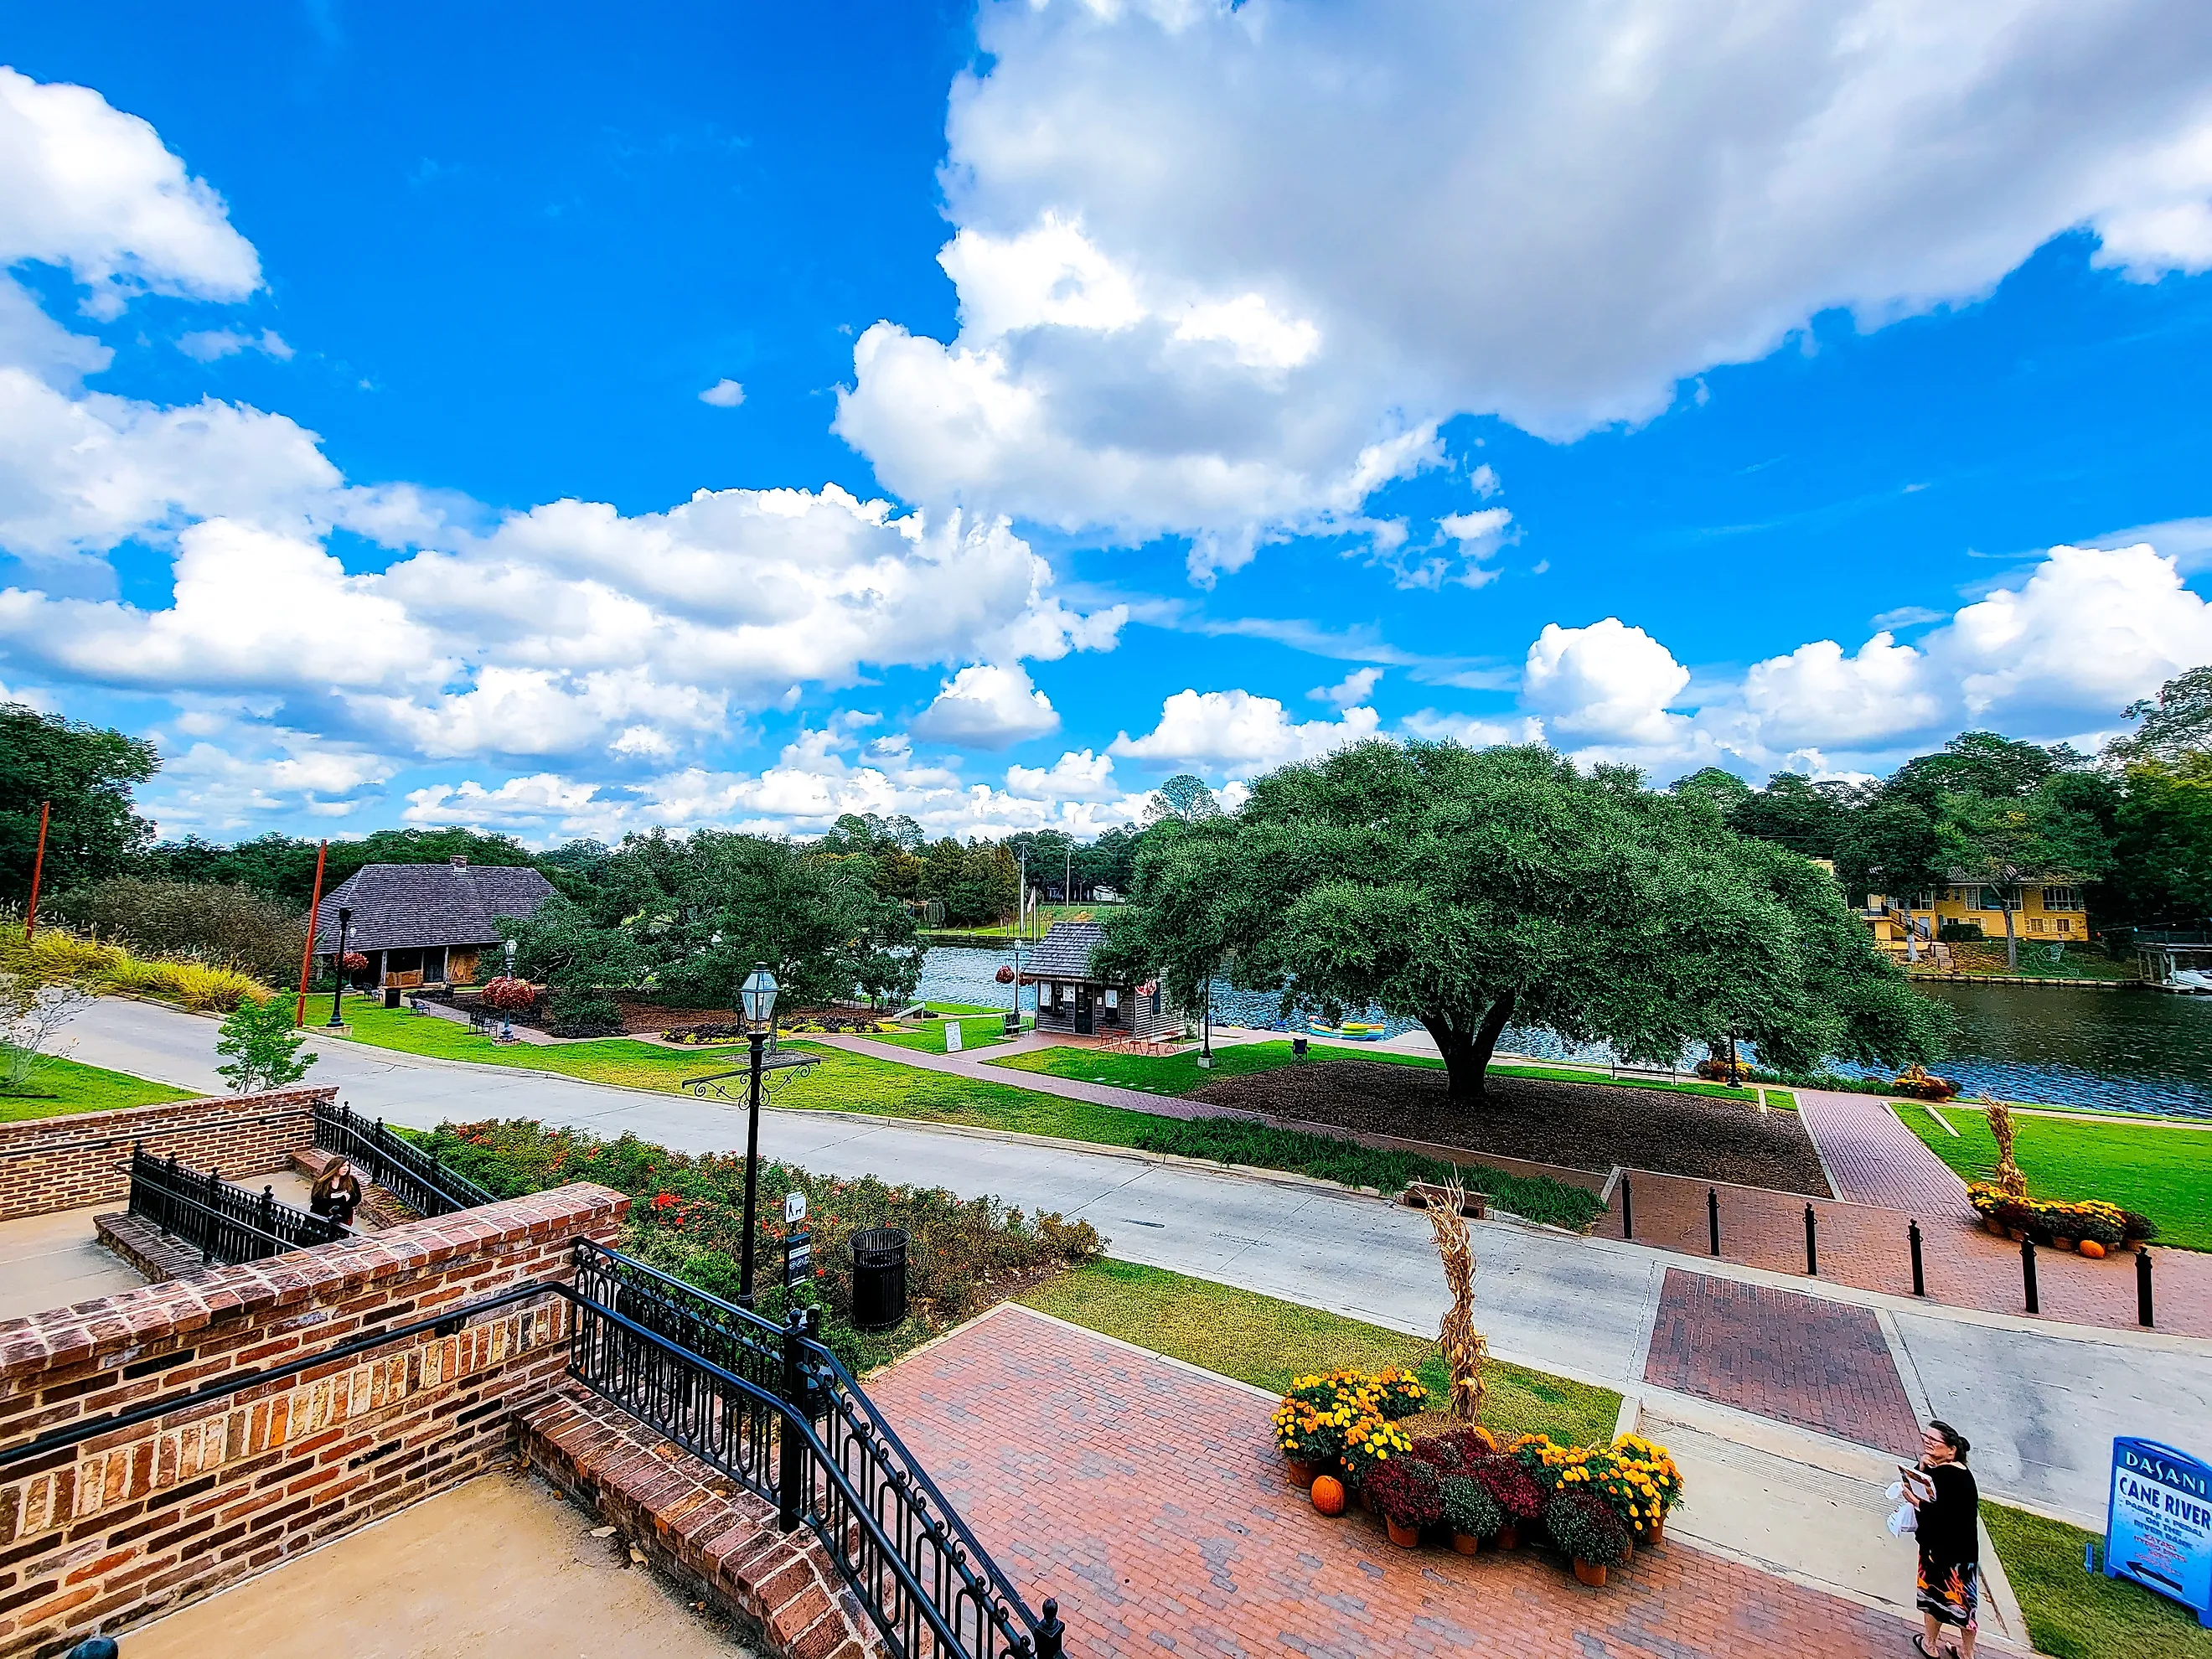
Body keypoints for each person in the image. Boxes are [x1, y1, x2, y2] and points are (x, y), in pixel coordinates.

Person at [1906, 1419, 1981, 1657]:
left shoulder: (1949, 1476)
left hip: (1942, 1552)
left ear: (1951, 1450)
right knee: (1965, 1607)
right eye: (1926, 1438)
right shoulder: (1954, 1472)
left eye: (1933, 1440)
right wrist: (1922, 1465)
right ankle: (1966, 1653)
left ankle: (1930, 1645)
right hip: (1961, 1553)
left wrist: (1915, 1501)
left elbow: (1943, 1515)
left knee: (1932, 1599)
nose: (1928, 1443)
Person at [310, 1158, 363, 1229]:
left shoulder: (352, 1181)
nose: (346, 1168)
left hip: (343, 1217)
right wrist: (342, 1199)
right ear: (335, 1167)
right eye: (343, 1166)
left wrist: (334, 1200)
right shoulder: (322, 1182)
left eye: (347, 1166)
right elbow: (317, 1203)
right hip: (322, 1218)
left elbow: (356, 1199)